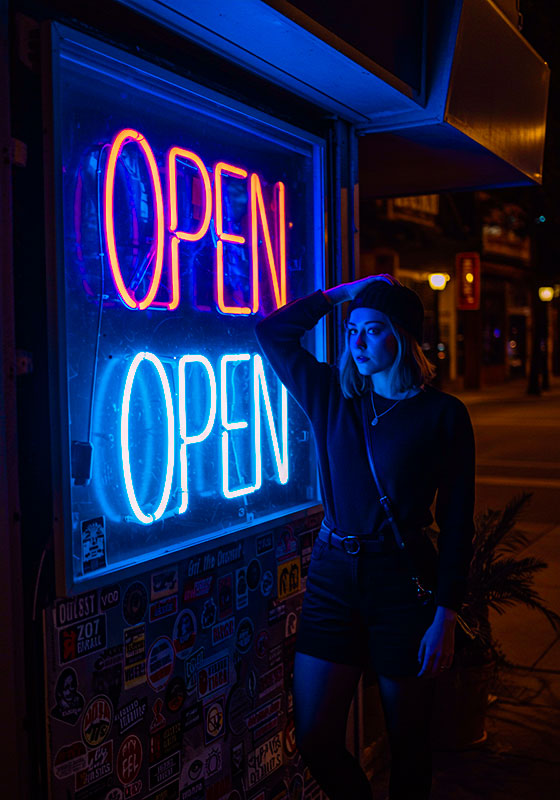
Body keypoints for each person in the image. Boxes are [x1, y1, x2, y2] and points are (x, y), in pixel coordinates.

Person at [255, 275, 475, 800]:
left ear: (402, 336)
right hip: (332, 576)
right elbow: (272, 332)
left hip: (401, 583)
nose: (356, 342)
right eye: (352, 330)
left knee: (409, 746)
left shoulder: (443, 415)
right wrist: (345, 294)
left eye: (372, 330)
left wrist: (445, 616)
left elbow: (457, 522)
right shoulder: (333, 395)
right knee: (315, 736)